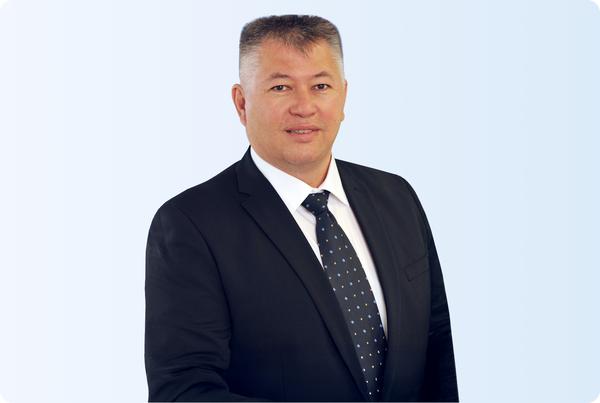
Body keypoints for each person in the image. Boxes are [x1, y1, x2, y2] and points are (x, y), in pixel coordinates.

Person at [145, 14, 458, 402]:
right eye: (280, 87)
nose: (304, 106)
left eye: (321, 86)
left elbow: (436, 355)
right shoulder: (190, 224)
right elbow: (183, 392)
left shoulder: (397, 197)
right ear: (242, 103)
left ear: (343, 96)